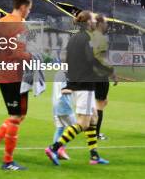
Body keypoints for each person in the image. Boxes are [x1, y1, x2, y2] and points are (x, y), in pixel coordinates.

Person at [45, 11, 109, 166]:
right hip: (85, 86)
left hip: (80, 84)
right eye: (93, 20)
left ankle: (94, 155)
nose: (95, 22)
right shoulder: (88, 39)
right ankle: (54, 147)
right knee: (83, 123)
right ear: (88, 22)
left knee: (93, 119)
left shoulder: (74, 38)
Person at [0, 0, 32, 171]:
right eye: (29, 8)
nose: (29, 12)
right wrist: (33, 56)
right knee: (16, 116)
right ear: (23, 7)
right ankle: (7, 161)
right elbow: (18, 53)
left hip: (4, 74)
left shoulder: (1, 22)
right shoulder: (19, 24)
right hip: (15, 75)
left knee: (18, 115)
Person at [90, 14, 117, 140]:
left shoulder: (91, 36)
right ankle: (95, 133)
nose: (107, 25)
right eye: (105, 22)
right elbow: (101, 58)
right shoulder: (100, 38)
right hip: (100, 76)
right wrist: (112, 72)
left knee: (103, 101)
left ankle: (92, 128)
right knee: (100, 104)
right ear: (100, 24)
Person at [51, 70, 74, 160]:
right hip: (63, 105)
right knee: (76, 127)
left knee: (60, 128)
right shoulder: (65, 74)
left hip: (56, 104)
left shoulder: (59, 73)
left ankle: (55, 151)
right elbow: (63, 90)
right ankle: (60, 149)